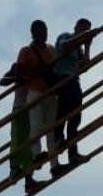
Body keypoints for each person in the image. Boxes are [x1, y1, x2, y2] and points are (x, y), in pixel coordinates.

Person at [17, 20, 70, 181]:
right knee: (37, 126)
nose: (44, 34)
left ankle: (54, 165)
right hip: (34, 92)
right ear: (34, 33)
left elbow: (60, 67)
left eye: (45, 30)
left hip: (50, 93)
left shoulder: (51, 50)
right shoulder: (26, 51)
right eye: (41, 31)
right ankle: (36, 156)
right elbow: (20, 72)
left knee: (51, 130)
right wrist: (38, 72)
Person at [54, 18, 101, 166]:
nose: (85, 32)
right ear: (77, 27)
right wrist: (83, 38)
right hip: (62, 78)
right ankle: (58, 138)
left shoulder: (79, 48)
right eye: (84, 29)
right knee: (64, 108)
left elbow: (85, 66)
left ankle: (72, 154)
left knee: (75, 116)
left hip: (74, 80)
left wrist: (87, 46)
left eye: (87, 30)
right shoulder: (66, 36)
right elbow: (65, 47)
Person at [0, 62, 45, 194]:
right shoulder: (19, 66)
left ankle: (29, 180)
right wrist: (18, 77)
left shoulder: (37, 66)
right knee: (18, 140)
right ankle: (14, 168)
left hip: (31, 108)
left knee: (28, 144)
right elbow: (3, 81)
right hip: (20, 108)